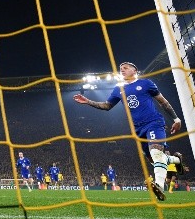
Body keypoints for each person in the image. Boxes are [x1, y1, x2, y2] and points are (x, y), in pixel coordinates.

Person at [73, 61, 183, 201]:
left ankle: (159, 186)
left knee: (156, 153)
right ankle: (175, 160)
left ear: (134, 70)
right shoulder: (118, 89)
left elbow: (163, 102)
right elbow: (107, 106)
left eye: (125, 68)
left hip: (154, 122)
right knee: (153, 159)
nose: (122, 70)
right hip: (138, 129)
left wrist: (176, 119)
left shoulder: (146, 83)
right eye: (120, 69)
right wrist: (88, 101)